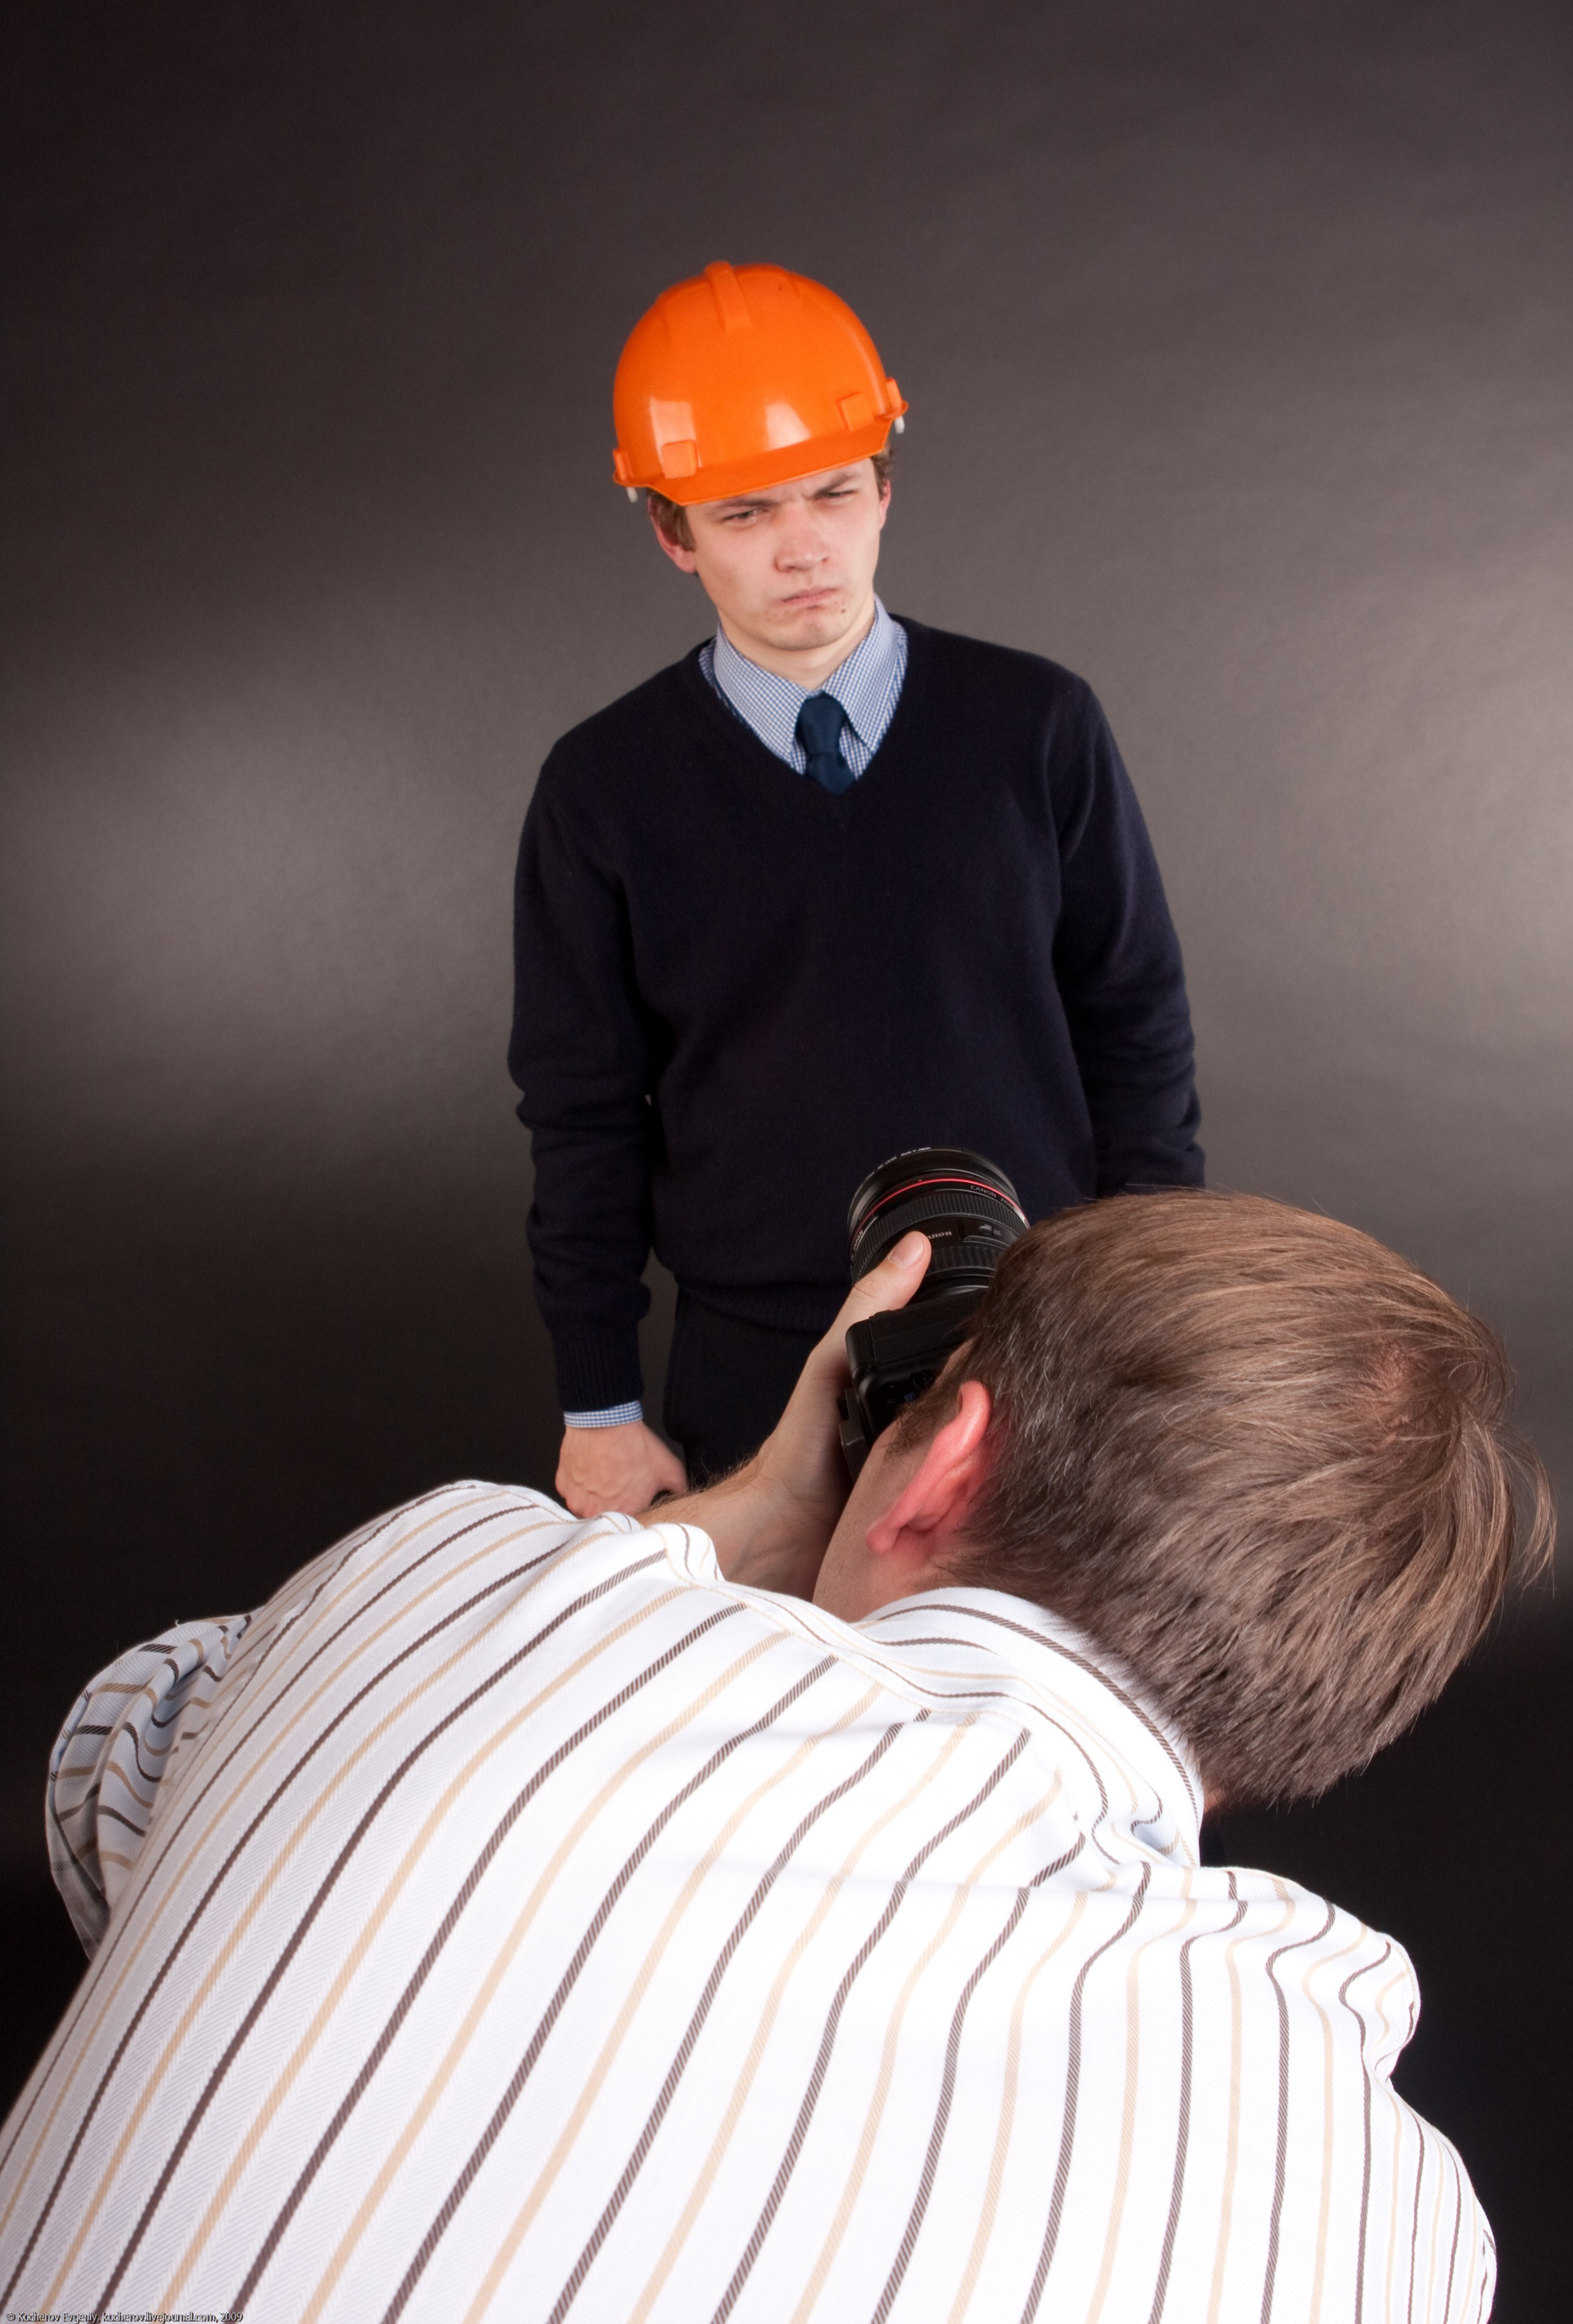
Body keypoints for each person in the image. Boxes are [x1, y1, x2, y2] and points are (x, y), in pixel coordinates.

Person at [2, 1191, 1547, 2322]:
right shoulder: (1384, 2225)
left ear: (943, 1458)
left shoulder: (459, 1590)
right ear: (1334, 1714)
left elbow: (118, 1776)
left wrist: (744, 1513)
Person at [510, 260, 1203, 1515]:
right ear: (671, 534)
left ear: (885, 486)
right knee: (772, 1647)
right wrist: (598, 1406)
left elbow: (1136, 1031)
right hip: (753, 1364)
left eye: (835, 491)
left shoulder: (1038, 725)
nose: (804, 548)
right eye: (744, 513)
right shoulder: (601, 788)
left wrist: (1149, 1312)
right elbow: (583, 1114)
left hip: (1036, 1334)